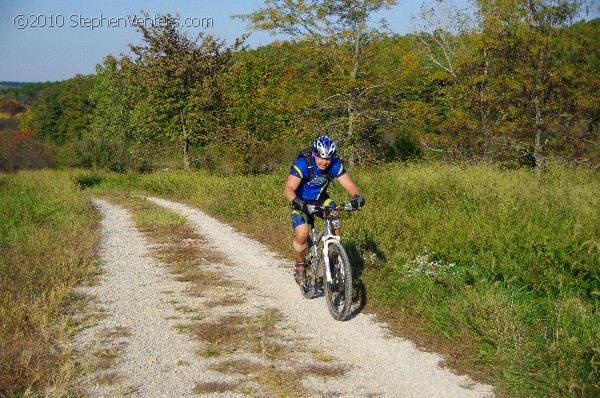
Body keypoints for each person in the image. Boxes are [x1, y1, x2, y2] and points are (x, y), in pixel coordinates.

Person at [283, 135, 365, 285]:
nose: (324, 162)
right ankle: (300, 264)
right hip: (301, 201)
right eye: (321, 157)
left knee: (334, 213)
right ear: (314, 154)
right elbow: (288, 189)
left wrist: (356, 197)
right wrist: (296, 201)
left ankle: (335, 252)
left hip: (321, 199)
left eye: (328, 158)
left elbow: (349, 185)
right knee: (302, 234)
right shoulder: (303, 164)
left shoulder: (334, 165)